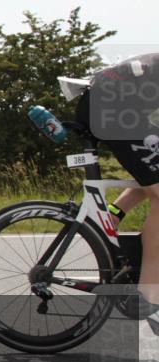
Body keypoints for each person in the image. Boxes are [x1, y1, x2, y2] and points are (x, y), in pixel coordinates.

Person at [74, 52, 159, 333]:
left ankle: (111, 217)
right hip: (109, 106)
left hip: (117, 106)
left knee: (154, 176)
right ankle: (149, 299)